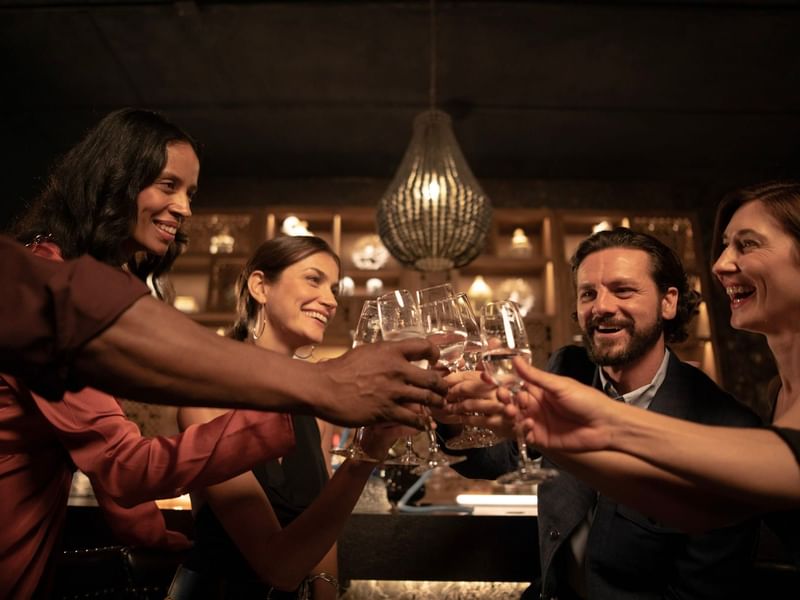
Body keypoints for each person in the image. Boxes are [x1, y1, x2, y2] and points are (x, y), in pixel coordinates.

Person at [0, 109, 438, 599]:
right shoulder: (44, 277)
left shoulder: (79, 275)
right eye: (168, 185)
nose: (184, 208)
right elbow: (124, 463)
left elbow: (96, 442)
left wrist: (147, 535)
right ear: (114, 179)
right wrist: (322, 389)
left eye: (189, 193)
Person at [488, 181, 800, 567]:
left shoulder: (732, 419)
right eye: (587, 293)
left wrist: (605, 422)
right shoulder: (779, 394)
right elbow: (704, 510)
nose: (719, 264)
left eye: (747, 244)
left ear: (668, 302)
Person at [447, 228, 761, 600]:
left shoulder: (726, 429)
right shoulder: (567, 369)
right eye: (588, 293)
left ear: (668, 302)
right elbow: (491, 460)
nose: (602, 307)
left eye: (623, 290)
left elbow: (703, 593)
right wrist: (447, 411)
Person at [169, 236, 410, 599]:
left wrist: (325, 591)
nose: (331, 301)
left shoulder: (314, 409)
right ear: (260, 286)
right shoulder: (207, 401)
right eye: (314, 280)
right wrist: (367, 454)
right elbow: (276, 566)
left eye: (333, 288)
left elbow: (322, 524)